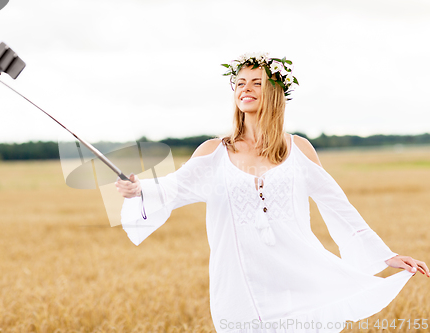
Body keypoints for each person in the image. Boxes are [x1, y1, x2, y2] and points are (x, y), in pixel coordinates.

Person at [115, 52, 429, 333]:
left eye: (256, 82)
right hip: (241, 287)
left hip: (300, 280)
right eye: (239, 83)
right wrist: (137, 189)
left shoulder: (299, 149)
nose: (245, 88)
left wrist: (385, 256)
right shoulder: (214, 152)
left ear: (276, 93)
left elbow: (336, 205)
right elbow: (172, 187)